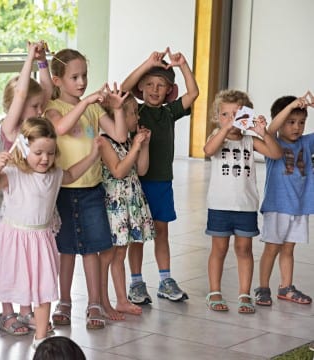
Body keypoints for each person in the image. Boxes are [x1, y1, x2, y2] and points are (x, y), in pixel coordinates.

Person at [0, 117, 102, 348]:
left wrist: (93, 156)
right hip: (13, 238)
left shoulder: (54, 176)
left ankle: (41, 337)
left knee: (44, 288)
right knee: (0, 277)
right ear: (24, 149)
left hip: (41, 239)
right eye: (38, 152)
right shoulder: (14, 173)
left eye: (51, 153)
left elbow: (72, 174)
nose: (45, 158)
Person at [0, 40, 54, 338]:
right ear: (15, 108)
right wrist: (29, 59)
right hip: (14, 210)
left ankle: (24, 311)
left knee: (28, 263)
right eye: (33, 106)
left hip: (36, 209)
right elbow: (24, 92)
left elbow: (46, 92)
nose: (40, 108)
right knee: (9, 262)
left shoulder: (38, 126)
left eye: (39, 106)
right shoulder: (13, 131)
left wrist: (43, 62)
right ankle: (6, 314)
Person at [45, 48, 128, 329]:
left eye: (84, 76)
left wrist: (116, 109)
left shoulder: (92, 109)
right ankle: (64, 301)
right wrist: (88, 101)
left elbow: (118, 135)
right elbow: (60, 129)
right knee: (65, 249)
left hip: (92, 190)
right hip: (64, 191)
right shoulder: (53, 108)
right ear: (57, 81)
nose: (81, 83)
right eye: (74, 77)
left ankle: (94, 302)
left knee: (93, 248)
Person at [121, 47, 199, 302]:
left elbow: (194, 93)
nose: (155, 90)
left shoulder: (169, 112)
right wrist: (147, 63)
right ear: (141, 88)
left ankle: (165, 280)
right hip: (137, 184)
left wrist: (182, 65)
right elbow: (123, 89)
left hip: (162, 184)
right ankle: (136, 283)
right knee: (138, 236)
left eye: (161, 85)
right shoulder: (136, 112)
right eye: (150, 84)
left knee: (161, 231)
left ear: (168, 91)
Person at [203, 89, 282, 313]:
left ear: (246, 115)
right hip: (219, 205)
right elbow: (208, 150)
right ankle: (214, 291)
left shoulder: (250, 141)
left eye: (236, 114)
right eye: (225, 115)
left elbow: (275, 154)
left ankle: (244, 293)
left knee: (244, 249)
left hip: (246, 206)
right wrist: (225, 129)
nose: (231, 119)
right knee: (218, 249)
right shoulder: (216, 137)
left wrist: (264, 132)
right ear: (217, 117)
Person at [254, 93, 314, 307]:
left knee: (288, 249)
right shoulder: (272, 143)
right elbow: (270, 128)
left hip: (299, 207)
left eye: (301, 122)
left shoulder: (307, 143)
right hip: (278, 207)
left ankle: (286, 287)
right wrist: (290, 106)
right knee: (272, 248)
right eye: (291, 122)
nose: (297, 127)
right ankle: (263, 288)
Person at [99, 92, 154, 317]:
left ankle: (121, 299)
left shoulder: (129, 141)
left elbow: (141, 170)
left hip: (130, 202)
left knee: (120, 254)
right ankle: (104, 300)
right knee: (110, 256)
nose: (136, 118)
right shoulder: (104, 141)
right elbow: (119, 171)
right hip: (115, 206)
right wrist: (134, 148)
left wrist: (144, 145)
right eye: (132, 113)